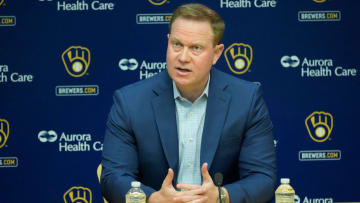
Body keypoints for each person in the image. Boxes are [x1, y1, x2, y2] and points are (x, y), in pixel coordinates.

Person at [101, 3, 276, 203]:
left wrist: (221, 196)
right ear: (167, 42)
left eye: (196, 48)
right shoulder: (130, 102)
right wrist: (153, 199)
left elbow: (263, 178)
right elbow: (112, 178)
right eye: (177, 44)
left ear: (217, 53)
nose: (183, 57)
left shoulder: (246, 99)